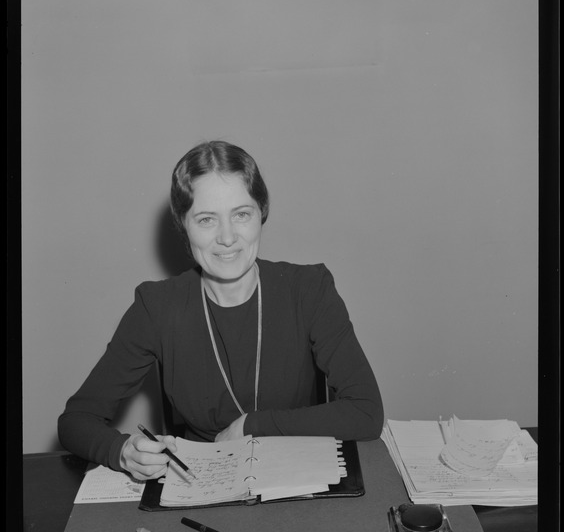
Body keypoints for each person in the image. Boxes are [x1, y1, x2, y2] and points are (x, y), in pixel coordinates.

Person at [58, 141, 384, 481]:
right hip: (200, 481)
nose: (227, 237)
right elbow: (75, 421)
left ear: (262, 214)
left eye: (241, 214)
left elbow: (366, 412)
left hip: (297, 479)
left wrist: (253, 426)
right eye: (206, 220)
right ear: (183, 227)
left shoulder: (310, 289)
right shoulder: (155, 307)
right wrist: (123, 452)